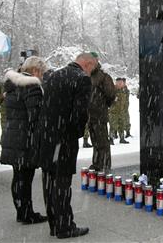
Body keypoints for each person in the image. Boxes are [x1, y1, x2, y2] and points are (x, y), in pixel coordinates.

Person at [37, 52, 97, 239]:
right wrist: (75, 134)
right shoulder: (81, 79)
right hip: (64, 140)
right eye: (92, 68)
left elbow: (46, 106)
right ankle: (65, 226)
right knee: (62, 181)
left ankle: (54, 224)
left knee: (49, 179)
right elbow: (80, 113)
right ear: (87, 64)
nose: (91, 73)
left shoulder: (55, 75)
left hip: (47, 136)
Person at [0, 56, 48, 225]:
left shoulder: (12, 85)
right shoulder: (31, 85)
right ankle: (27, 214)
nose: (42, 76)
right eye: (42, 72)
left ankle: (21, 211)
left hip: (13, 136)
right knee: (25, 178)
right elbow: (35, 116)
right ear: (35, 70)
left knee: (18, 176)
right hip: (25, 139)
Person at [88, 61, 116, 171]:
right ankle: (96, 164)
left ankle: (104, 165)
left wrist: (102, 105)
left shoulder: (104, 77)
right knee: (95, 142)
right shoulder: (87, 76)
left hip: (100, 115)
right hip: (90, 115)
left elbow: (111, 95)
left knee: (102, 142)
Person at [109, 78, 129, 145]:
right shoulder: (112, 90)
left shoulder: (123, 91)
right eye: (119, 83)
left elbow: (125, 101)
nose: (120, 84)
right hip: (113, 112)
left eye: (121, 83)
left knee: (122, 125)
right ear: (116, 83)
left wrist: (125, 109)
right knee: (113, 126)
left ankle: (122, 139)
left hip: (121, 112)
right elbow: (108, 100)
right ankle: (111, 139)